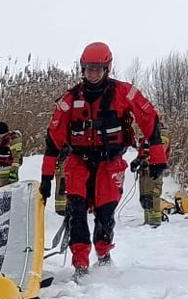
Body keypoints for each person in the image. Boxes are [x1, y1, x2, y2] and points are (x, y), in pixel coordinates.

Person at [38, 41, 164, 274]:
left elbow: (150, 120)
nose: (93, 73)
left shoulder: (124, 93)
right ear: (82, 69)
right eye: (89, 69)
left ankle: (104, 253)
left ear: (107, 68)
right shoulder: (69, 100)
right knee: (76, 212)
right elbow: (52, 140)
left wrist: (158, 158)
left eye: (98, 68)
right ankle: (80, 264)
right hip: (78, 162)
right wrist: (47, 177)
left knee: (105, 213)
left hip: (110, 163)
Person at [132, 128, 171, 226]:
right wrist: (137, 161)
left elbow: (160, 151)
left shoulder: (161, 134)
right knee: (145, 197)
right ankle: (147, 222)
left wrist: (146, 161)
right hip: (144, 171)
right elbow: (144, 151)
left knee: (152, 196)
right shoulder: (148, 134)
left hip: (154, 170)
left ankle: (154, 223)